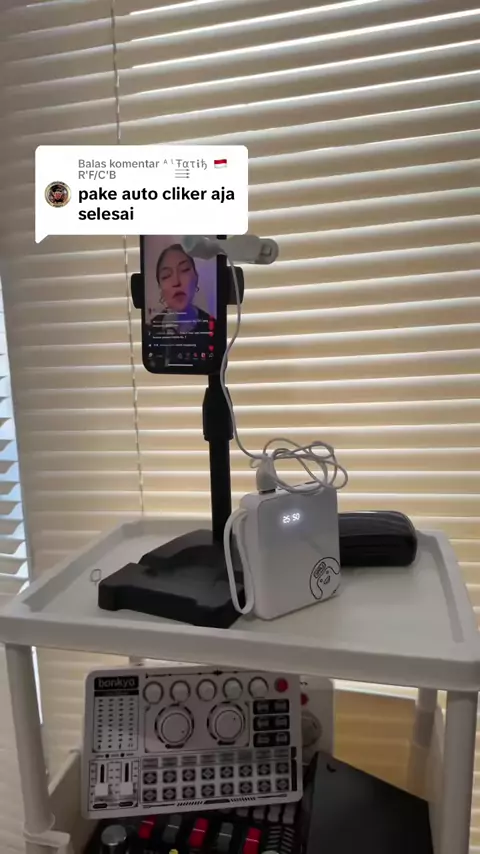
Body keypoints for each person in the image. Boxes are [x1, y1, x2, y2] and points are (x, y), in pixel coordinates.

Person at [150, 244, 211, 341]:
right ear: (160, 288)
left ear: (196, 277)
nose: (176, 282)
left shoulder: (213, 328)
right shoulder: (150, 331)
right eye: (166, 275)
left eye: (184, 269)